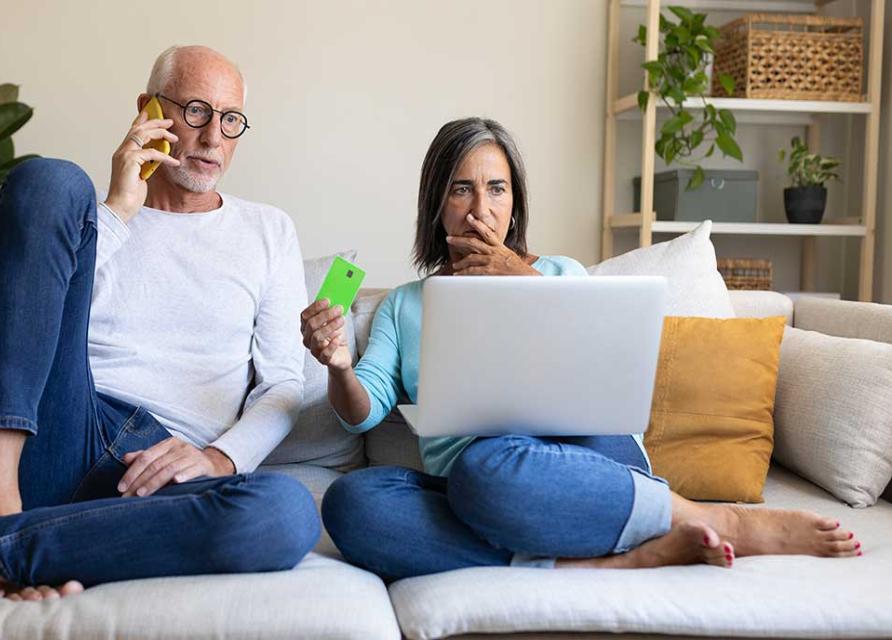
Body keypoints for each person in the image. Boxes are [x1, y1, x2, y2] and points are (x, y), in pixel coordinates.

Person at [0, 45, 319, 599]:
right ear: (149, 110)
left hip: (168, 471)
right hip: (61, 430)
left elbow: (284, 381)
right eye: (195, 111)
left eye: (230, 119)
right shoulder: (86, 219)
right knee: (50, 180)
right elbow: (31, 319)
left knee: (283, 515)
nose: (213, 137)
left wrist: (216, 458)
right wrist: (118, 208)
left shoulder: (268, 231)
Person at [300, 117, 862, 580]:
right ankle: (602, 559)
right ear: (436, 205)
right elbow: (361, 413)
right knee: (355, 504)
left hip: (585, 464)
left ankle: (710, 517)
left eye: (497, 188)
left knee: (486, 468)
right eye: (461, 188)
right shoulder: (405, 305)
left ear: (515, 203)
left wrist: (514, 274)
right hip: (479, 488)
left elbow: (605, 373)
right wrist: (340, 366)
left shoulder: (561, 273)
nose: (480, 208)